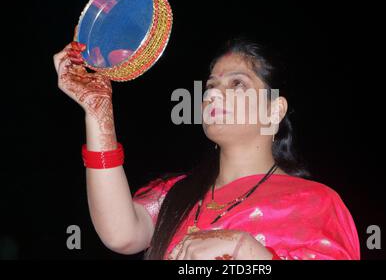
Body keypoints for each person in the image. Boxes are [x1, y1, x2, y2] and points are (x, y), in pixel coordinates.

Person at [53, 37, 360, 260]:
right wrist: (97, 110)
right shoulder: (176, 195)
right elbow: (120, 233)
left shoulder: (316, 204)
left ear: (274, 110)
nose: (212, 95)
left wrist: (247, 253)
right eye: (211, 86)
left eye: (237, 84)